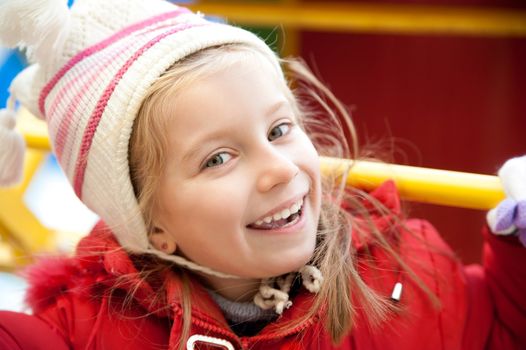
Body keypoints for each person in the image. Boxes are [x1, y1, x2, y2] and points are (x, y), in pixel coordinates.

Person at [0, 0, 525, 349]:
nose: (277, 169)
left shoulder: (406, 279)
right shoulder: (83, 334)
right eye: (218, 158)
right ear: (149, 223)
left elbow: (498, 329)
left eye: (278, 130)